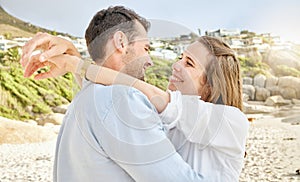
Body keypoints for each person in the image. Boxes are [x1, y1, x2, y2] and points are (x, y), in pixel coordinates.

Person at [22, 11, 249, 182]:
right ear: (121, 42)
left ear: (211, 85)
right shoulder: (119, 102)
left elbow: (147, 95)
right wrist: (75, 61)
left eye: (188, 63)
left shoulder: (229, 121)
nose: (174, 65)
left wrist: (78, 64)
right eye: (147, 48)